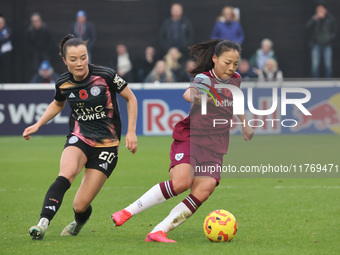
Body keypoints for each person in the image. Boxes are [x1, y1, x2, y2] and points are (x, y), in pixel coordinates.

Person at [111, 39, 254, 243]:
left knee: (204, 190)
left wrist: (245, 124)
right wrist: (204, 98)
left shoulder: (236, 79)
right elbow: (189, 93)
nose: (231, 68)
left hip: (215, 144)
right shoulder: (205, 79)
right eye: (227, 62)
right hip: (192, 137)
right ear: (215, 59)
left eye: (235, 64)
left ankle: (159, 231)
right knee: (181, 183)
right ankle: (127, 212)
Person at [23, 34, 138, 240]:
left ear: (88, 56)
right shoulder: (63, 82)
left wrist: (131, 132)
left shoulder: (106, 75)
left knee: (80, 205)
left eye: (83, 57)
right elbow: (58, 103)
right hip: (80, 137)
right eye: (74, 59)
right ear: (65, 61)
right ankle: (42, 223)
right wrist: (38, 124)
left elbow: (131, 97)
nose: (79, 63)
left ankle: (78, 222)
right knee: (66, 174)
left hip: (107, 145)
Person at [306, 4, 337, 78]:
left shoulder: (330, 19)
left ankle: (328, 82)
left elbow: (335, 29)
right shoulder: (315, 19)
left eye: (321, 10)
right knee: (315, 65)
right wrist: (314, 19)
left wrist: (330, 38)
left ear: (325, 10)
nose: (319, 12)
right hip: (316, 45)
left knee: (328, 65)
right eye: (318, 10)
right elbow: (307, 26)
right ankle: (315, 82)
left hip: (327, 45)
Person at [0, 14, 13, 83]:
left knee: (6, 71)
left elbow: (7, 38)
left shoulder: (7, 30)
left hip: (6, 55)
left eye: (1, 23)